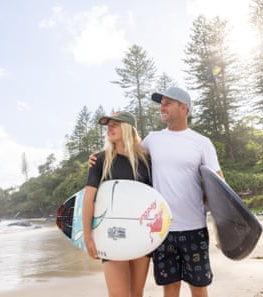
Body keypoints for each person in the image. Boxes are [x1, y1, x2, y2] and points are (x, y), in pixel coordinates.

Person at [90, 87, 223, 297]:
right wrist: (100, 157)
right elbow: (127, 154)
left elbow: (218, 186)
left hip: (194, 227)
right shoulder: (152, 140)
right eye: (161, 103)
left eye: (167, 103)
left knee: (198, 286)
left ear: (184, 107)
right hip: (159, 230)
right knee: (170, 286)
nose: (162, 107)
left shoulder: (202, 143)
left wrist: (221, 229)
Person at [82, 111, 152, 297]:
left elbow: (152, 200)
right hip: (110, 234)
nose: (109, 128)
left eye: (115, 124)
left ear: (128, 128)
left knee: (136, 294)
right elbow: (88, 199)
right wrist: (87, 236)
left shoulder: (145, 161)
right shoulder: (101, 160)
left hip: (140, 233)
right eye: (108, 125)